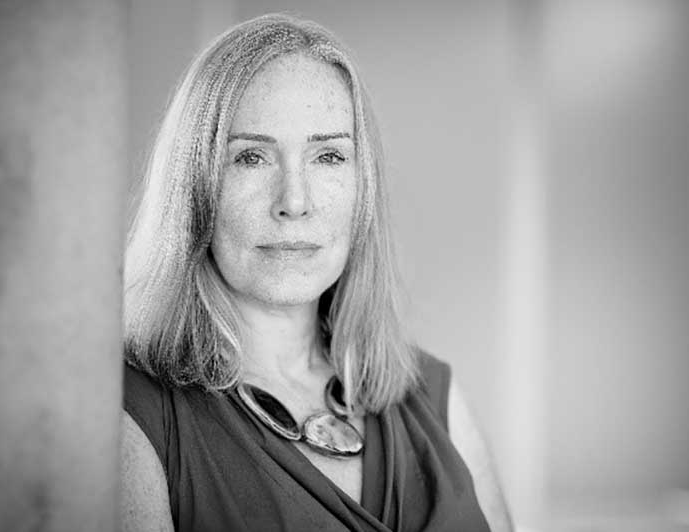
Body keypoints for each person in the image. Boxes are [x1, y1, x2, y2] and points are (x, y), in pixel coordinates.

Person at [120, 13, 512, 532]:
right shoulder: (127, 416)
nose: (295, 202)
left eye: (328, 155)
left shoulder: (436, 399)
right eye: (251, 157)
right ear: (194, 187)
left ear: (362, 189)